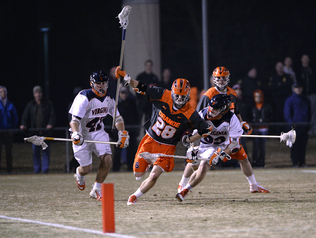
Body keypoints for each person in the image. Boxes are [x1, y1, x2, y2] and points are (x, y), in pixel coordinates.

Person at [115, 66, 211, 206]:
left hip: (167, 147)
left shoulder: (190, 113)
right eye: (177, 95)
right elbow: (142, 88)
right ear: (172, 92)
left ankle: (134, 196)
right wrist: (126, 78)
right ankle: (147, 165)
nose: (179, 99)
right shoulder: (163, 94)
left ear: (187, 95)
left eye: (182, 96)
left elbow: (205, 130)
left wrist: (191, 140)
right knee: (138, 175)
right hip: (150, 139)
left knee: (154, 175)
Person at [178, 67, 269, 194]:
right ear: (214, 79)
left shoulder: (232, 93)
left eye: (223, 77)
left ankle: (253, 185)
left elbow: (236, 112)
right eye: (218, 78)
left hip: (227, 133)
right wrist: (195, 140)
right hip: (211, 133)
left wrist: (241, 123)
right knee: (195, 160)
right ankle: (181, 185)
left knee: (243, 158)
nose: (221, 80)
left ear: (228, 78)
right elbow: (198, 118)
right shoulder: (208, 95)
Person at [69, 70, 129, 201]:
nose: (101, 86)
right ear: (92, 84)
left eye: (103, 83)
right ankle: (79, 173)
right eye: (98, 83)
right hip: (82, 133)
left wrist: (123, 133)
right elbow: (74, 120)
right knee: (86, 168)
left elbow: (118, 118)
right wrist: (75, 134)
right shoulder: (84, 97)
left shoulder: (109, 99)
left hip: (97, 132)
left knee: (107, 159)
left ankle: (96, 189)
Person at [20, 86, 56, 174]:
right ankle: (37, 170)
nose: (38, 95)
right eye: (36, 93)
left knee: (45, 152)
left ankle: (45, 170)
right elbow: (25, 116)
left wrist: (50, 124)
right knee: (36, 153)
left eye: (39, 93)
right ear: (34, 94)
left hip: (45, 133)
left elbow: (52, 116)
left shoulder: (47, 104)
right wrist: (23, 124)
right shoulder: (30, 105)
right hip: (34, 133)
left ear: (42, 94)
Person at [112, 85, 139, 172]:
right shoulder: (116, 104)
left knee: (131, 150)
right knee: (117, 150)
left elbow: (136, 115)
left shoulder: (131, 102)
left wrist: (135, 128)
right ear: (119, 94)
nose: (124, 95)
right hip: (119, 131)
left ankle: (131, 168)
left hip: (130, 129)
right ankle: (115, 168)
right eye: (122, 93)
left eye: (125, 93)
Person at [284, 82, 311, 167]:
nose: (298, 89)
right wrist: (291, 124)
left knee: (303, 145)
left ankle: (302, 162)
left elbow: (309, 113)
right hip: (294, 127)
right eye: (296, 87)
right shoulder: (290, 100)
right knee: (295, 146)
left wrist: (308, 124)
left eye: (299, 87)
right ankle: (295, 162)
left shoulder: (306, 100)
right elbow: (287, 113)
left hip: (304, 126)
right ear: (294, 88)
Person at [0, 86, 18, 174]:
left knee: (9, 152)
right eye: (1, 92)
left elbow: (15, 117)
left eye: (4, 91)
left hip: (8, 132)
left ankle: (10, 169)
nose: (3, 93)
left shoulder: (10, 104)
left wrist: (12, 128)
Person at [251, 90, 273, 168]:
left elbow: (271, 116)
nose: (258, 98)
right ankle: (255, 161)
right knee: (256, 146)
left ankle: (262, 162)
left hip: (264, 128)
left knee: (262, 147)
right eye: (256, 96)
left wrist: (265, 120)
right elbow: (249, 116)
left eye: (259, 96)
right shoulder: (252, 107)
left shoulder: (266, 106)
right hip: (255, 128)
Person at [296, 54, 316, 135]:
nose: (305, 60)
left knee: (313, 112)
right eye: (303, 58)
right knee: (303, 112)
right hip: (302, 95)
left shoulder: (312, 70)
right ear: (301, 60)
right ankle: (303, 130)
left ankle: (312, 130)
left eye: (306, 58)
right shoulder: (299, 71)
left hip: (312, 94)